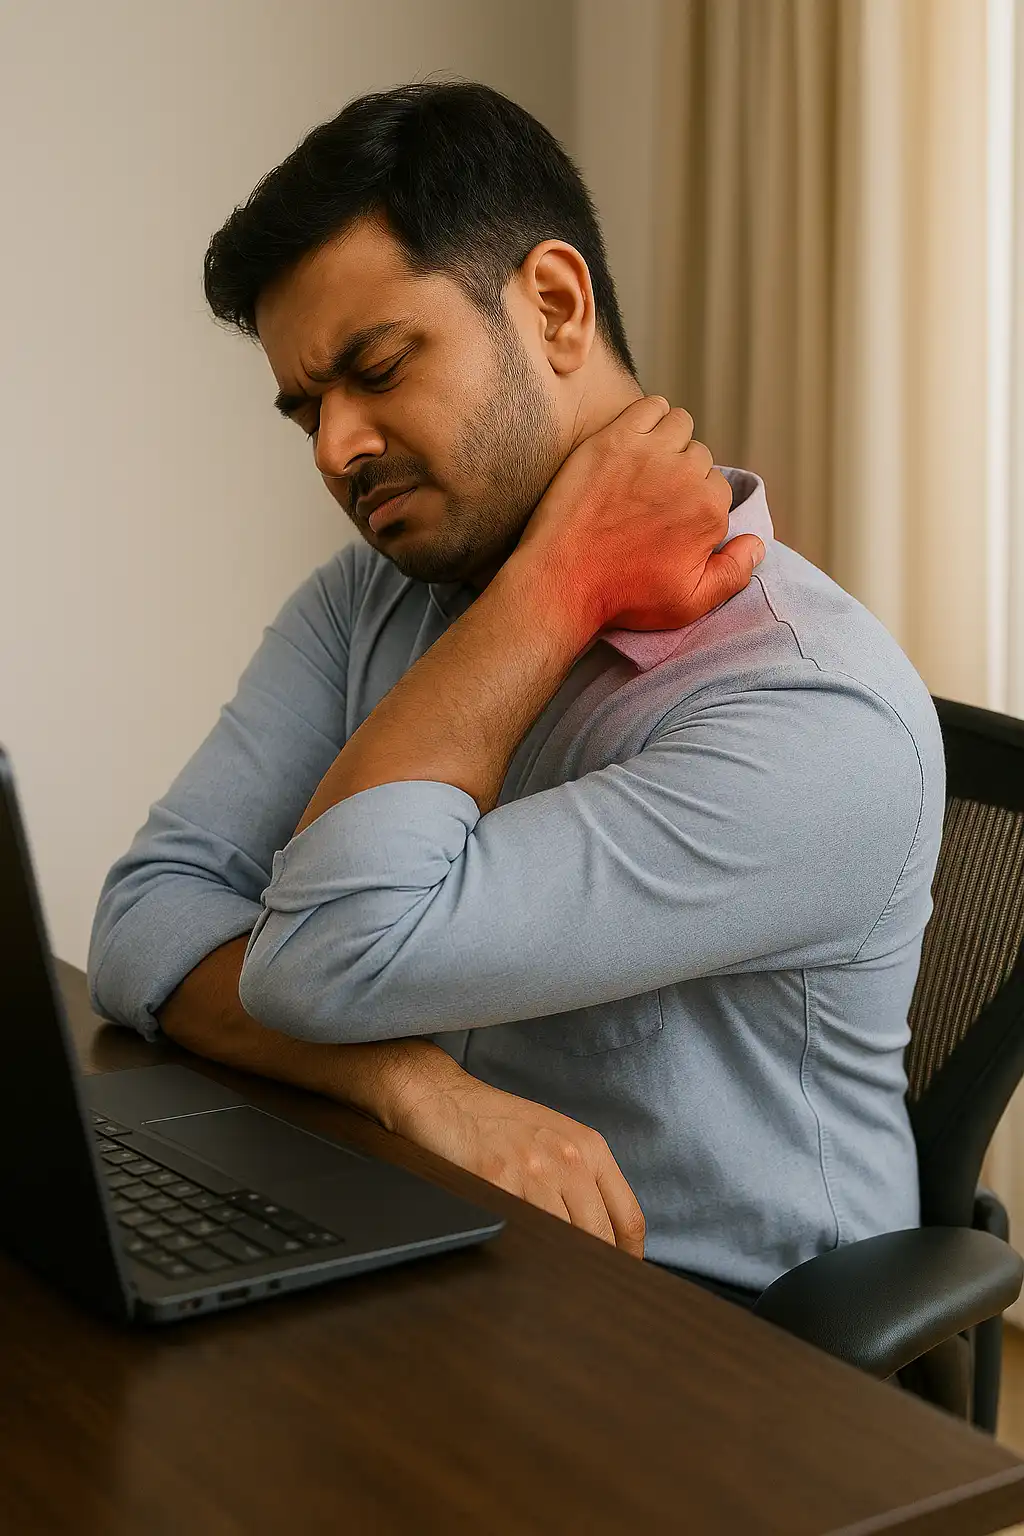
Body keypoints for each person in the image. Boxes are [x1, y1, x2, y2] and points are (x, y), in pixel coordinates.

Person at [88, 80, 945, 1309]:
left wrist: (554, 588)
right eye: (306, 410)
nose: (334, 449)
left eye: (376, 368)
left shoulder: (813, 721)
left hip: (714, 1346)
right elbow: (145, 919)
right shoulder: (369, 598)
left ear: (552, 304)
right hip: (429, 1226)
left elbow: (321, 961)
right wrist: (418, 1088)